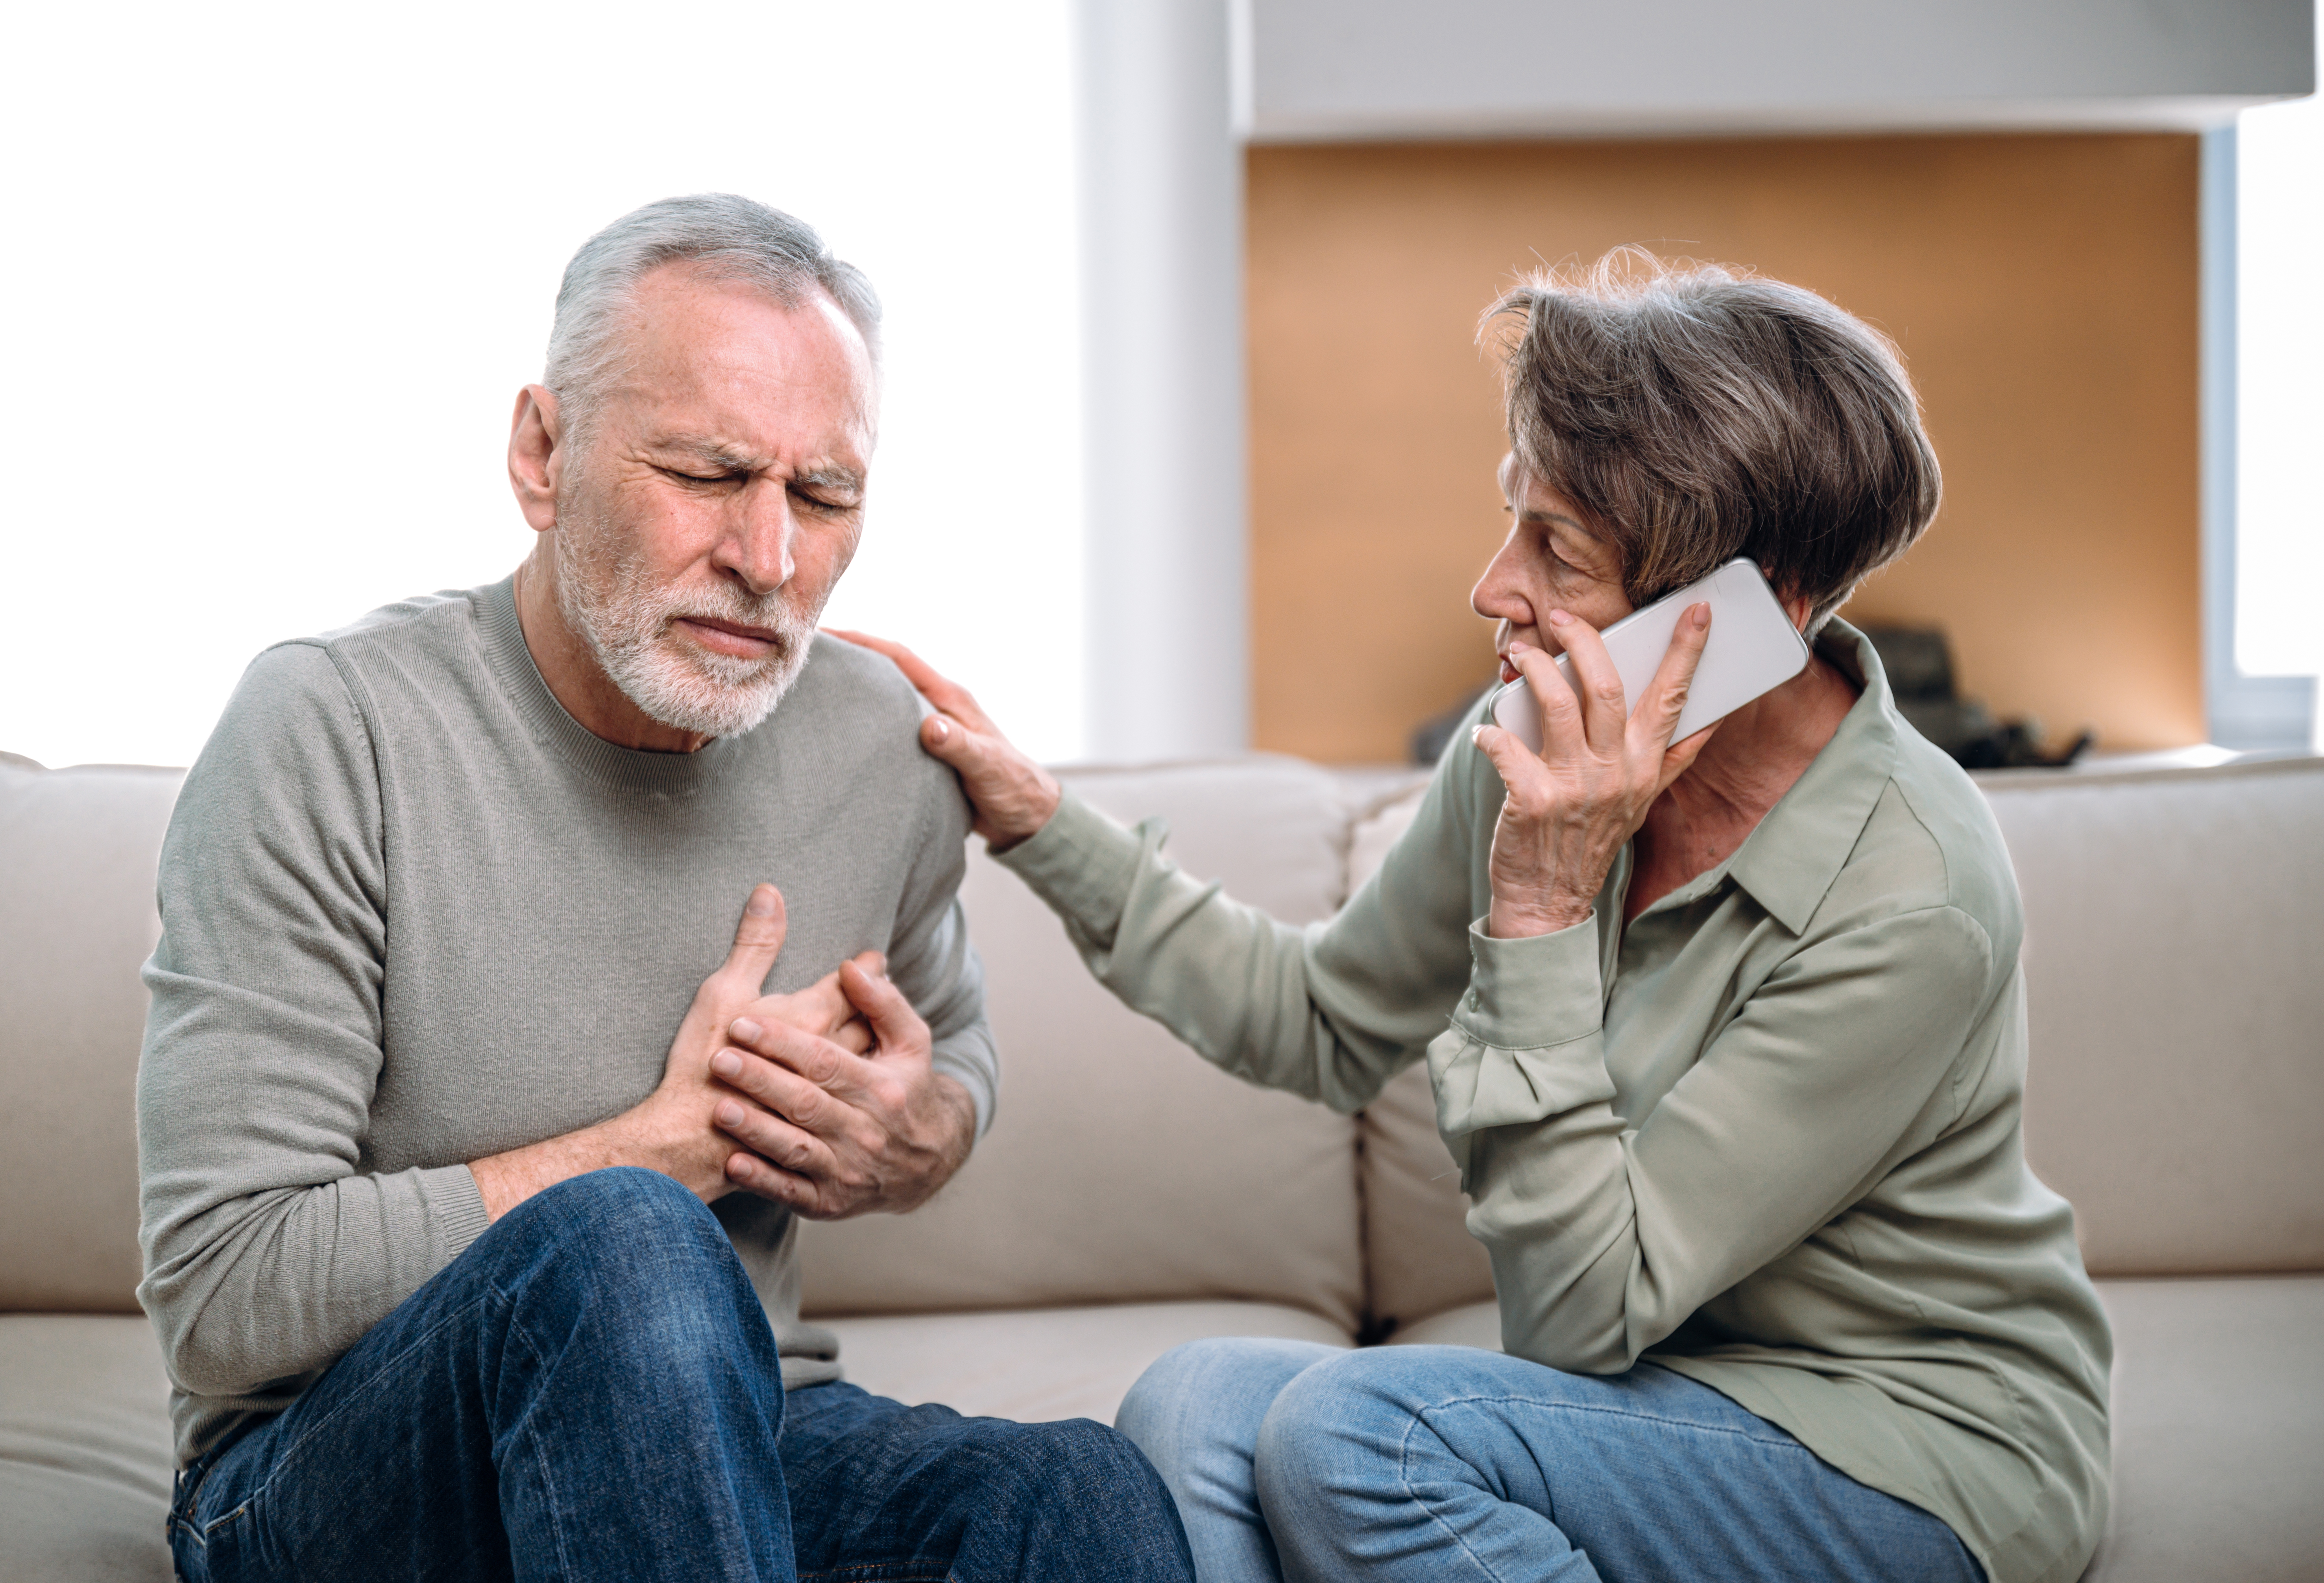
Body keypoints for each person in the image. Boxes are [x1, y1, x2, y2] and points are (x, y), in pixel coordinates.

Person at [846, 253, 2112, 1583]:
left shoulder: (1913, 896)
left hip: (1911, 1451)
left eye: (1557, 548)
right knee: (1194, 1405)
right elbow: (1322, 1022)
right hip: (1654, 1409)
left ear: (1754, 615)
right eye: (1515, 518)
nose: (1492, 587)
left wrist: (1543, 909)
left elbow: (1580, 1314)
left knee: (1363, 1436)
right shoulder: (1524, 744)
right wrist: (1043, 821)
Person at [137, 194, 1192, 1583]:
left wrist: (918, 1132)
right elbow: (223, 1295)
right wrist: (654, 1152)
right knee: (627, 1243)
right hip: (320, 1473)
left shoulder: (880, 746)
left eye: (824, 497)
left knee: (1078, 1494)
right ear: (542, 452)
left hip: (735, 1433)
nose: (770, 562)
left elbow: (955, 1053)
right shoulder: (329, 728)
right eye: (707, 473)